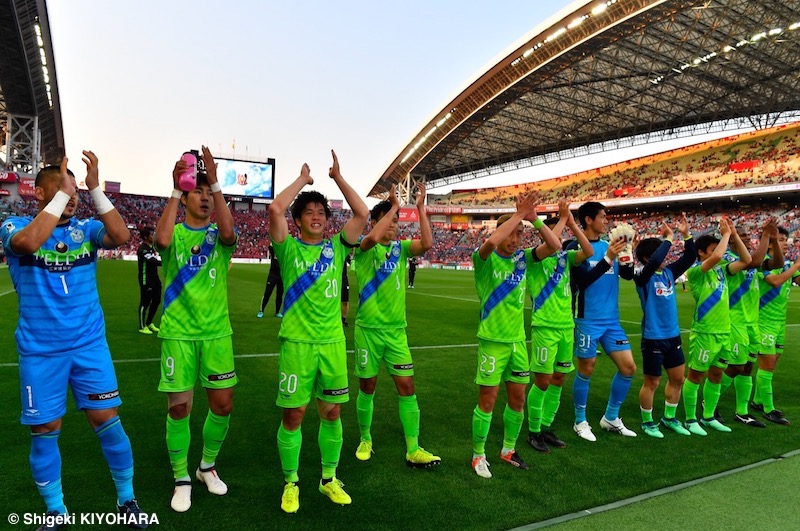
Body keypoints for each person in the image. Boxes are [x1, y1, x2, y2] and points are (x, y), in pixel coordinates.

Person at [0, 152, 148, 529]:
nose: (72, 197)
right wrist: (63, 196)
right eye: (62, 190)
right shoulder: (14, 225)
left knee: (108, 421)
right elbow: (29, 244)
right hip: (40, 352)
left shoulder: (85, 230)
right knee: (45, 431)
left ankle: (127, 500)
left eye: (74, 192)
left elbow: (121, 236)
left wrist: (94, 188)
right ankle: (55, 511)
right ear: (39, 193)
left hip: (89, 347)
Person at [269, 151, 369, 513]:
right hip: (297, 344)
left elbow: (362, 214)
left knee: (331, 414)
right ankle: (291, 482)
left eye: (321, 213)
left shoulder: (337, 247)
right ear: (298, 220)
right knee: (293, 416)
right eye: (309, 212)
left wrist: (338, 178)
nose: (316, 217)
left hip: (331, 344)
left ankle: (328, 479)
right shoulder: (288, 247)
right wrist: (304, 182)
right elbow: (274, 211)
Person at [155, 146, 238, 513]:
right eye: (197, 191)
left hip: (216, 333)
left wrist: (215, 180)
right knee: (179, 409)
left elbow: (230, 231)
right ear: (185, 196)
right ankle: (181, 478)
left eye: (209, 193)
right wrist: (175, 188)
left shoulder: (220, 239)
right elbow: (160, 241)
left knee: (222, 404)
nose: (204, 198)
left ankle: (206, 467)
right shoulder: (173, 234)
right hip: (178, 334)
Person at [471, 193, 561, 478]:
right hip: (492, 342)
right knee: (487, 400)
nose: (516, 239)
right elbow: (490, 243)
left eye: (520, 234)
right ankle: (478, 455)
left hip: (517, 342)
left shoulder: (525, 258)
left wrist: (532, 218)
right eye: (512, 233)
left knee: (518, 400)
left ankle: (508, 449)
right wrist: (516, 217)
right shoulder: (484, 259)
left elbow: (555, 245)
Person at [353, 183, 440, 467]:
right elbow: (372, 237)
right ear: (376, 222)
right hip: (368, 331)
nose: (393, 225)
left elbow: (426, 243)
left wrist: (420, 207)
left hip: (396, 333)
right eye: (388, 220)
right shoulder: (364, 248)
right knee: (368, 386)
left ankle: (413, 448)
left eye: (396, 221)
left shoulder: (401, 249)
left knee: (407, 387)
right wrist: (392, 207)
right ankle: (365, 438)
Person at [526, 199, 593, 453]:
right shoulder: (536, 258)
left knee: (558, 380)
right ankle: (533, 431)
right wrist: (563, 219)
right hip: (545, 326)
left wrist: (573, 224)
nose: (560, 235)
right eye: (556, 229)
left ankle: (545, 427)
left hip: (566, 326)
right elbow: (551, 243)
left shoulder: (565, 258)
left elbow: (588, 251)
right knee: (542, 381)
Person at [569, 202, 637, 441]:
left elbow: (627, 276)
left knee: (628, 368)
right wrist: (608, 257)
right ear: (588, 220)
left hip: (611, 321)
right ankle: (580, 421)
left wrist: (628, 254)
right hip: (587, 318)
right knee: (586, 368)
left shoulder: (612, 246)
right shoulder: (575, 246)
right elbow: (584, 281)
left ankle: (611, 417)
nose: (606, 221)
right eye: (602, 216)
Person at [683, 217, 750, 435]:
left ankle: (709, 416)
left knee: (716, 376)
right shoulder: (696, 273)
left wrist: (735, 235)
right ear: (702, 253)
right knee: (695, 376)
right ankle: (691, 419)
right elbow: (720, 255)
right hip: (705, 332)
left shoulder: (722, 271)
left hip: (725, 332)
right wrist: (726, 235)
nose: (718, 252)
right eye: (712, 249)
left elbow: (747, 260)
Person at [633, 214, 695, 438]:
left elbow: (690, 257)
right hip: (653, 337)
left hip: (673, 336)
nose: (666, 256)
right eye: (661, 252)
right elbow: (651, 263)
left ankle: (669, 418)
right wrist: (668, 239)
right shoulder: (643, 276)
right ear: (649, 257)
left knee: (678, 378)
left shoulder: (669, 273)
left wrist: (686, 234)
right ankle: (647, 422)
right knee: (652, 381)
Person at [717, 220, 776, 428]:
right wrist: (766, 237)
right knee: (735, 366)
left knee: (748, 367)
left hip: (753, 321)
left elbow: (776, 263)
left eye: (746, 235)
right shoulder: (727, 257)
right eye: (740, 235)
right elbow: (754, 263)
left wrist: (774, 242)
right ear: (730, 238)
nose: (745, 239)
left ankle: (741, 412)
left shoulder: (751, 257)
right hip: (735, 320)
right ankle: (710, 402)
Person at [753, 226, 800, 425]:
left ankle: (756, 400)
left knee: (771, 364)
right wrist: (796, 266)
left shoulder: (787, 264)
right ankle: (769, 409)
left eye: (783, 239)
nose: (782, 242)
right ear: (770, 243)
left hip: (780, 322)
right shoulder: (764, 264)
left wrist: (795, 267)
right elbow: (776, 282)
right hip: (764, 321)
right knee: (767, 365)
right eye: (778, 239)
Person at [137, 227, 162, 334]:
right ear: (146, 237)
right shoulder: (143, 249)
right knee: (145, 302)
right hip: (146, 278)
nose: (154, 236)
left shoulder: (152, 248)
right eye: (152, 234)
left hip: (155, 278)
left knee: (156, 300)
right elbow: (154, 261)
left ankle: (149, 323)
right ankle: (142, 326)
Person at [258, 242, 283, 318]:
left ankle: (277, 312)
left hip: (281, 276)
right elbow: (271, 244)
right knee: (267, 293)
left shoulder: (285, 252)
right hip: (272, 276)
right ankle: (261, 311)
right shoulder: (273, 250)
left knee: (279, 295)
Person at [341, 252, 352, 327]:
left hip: (344, 279)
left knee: (345, 301)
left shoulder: (343, 251)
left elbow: (350, 261)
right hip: (332, 278)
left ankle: (343, 320)